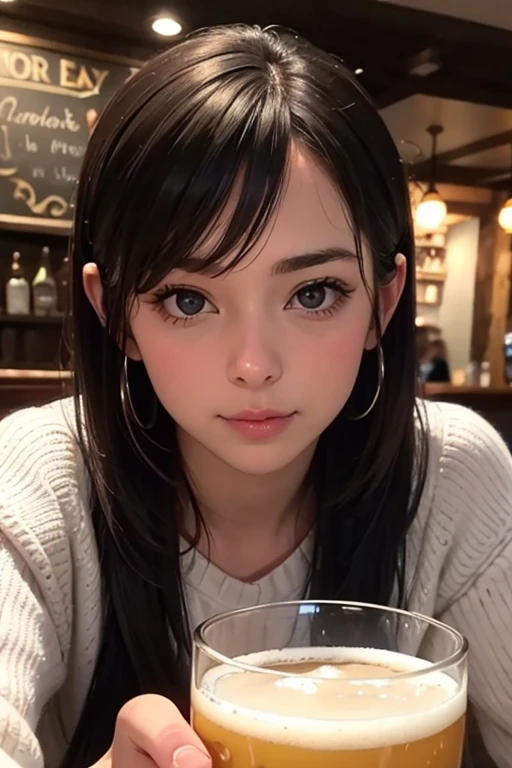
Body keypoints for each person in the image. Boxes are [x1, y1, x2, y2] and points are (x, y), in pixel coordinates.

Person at [0, 24, 511, 768]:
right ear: (115, 315)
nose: (252, 365)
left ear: (385, 301)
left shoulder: (452, 477)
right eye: (185, 299)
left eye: (313, 292)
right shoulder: (34, 485)